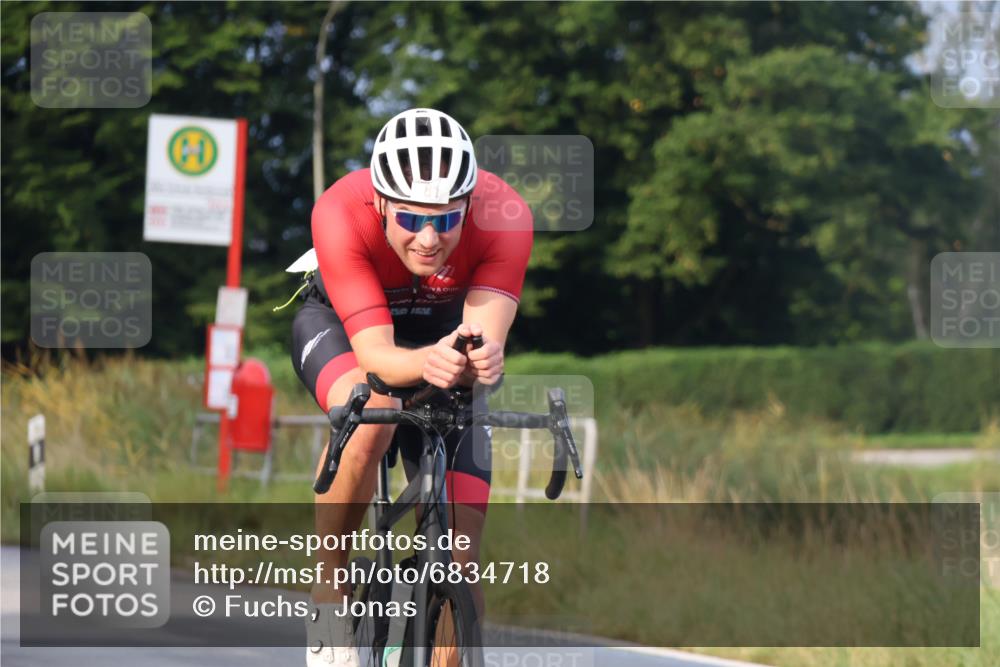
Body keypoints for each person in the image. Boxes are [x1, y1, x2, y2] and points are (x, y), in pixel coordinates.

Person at [289, 108, 533, 666]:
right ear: (379, 204)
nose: (428, 239)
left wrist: (483, 358)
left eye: (446, 221)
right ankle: (329, 587)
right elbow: (376, 358)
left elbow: (478, 344)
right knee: (370, 402)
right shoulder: (339, 209)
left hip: (440, 335)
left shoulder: (506, 215)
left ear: (469, 206)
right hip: (345, 327)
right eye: (409, 219)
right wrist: (427, 363)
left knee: (461, 558)